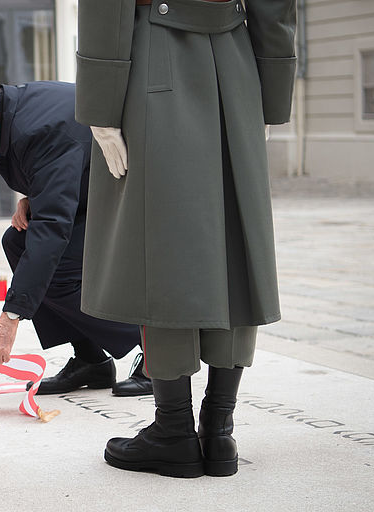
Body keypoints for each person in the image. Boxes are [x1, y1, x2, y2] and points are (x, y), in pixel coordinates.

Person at [74, 0, 297, 478]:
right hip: (237, 58)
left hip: (157, 51)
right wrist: (271, 91)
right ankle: (219, 432)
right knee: (234, 239)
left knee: (163, 242)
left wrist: (100, 103)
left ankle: (174, 431)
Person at [0, 73, 151, 397]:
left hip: (140, 200)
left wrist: (10, 318)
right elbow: (62, 170)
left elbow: (52, 230)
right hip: (103, 193)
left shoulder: (39, 129)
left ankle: (157, 350)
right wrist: (35, 196)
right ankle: (90, 359)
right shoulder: (12, 113)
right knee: (16, 242)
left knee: (54, 266)